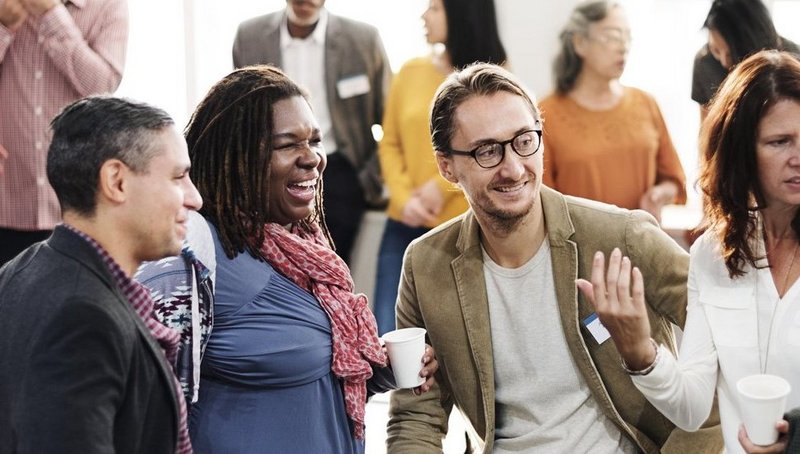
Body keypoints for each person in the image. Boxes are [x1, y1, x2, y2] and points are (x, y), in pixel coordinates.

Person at [385, 62, 723, 453]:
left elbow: (725, 339)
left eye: (524, 141)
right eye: (486, 151)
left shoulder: (620, 236)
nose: (513, 168)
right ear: (447, 166)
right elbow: (416, 414)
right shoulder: (426, 266)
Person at [155, 65, 437, 453]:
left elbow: (313, 376)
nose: (312, 159)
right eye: (288, 145)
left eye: (316, 141)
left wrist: (379, 366)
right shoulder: (201, 250)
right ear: (237, 156)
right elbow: (148, 400)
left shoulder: (306, 248)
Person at [577, 50, 800, 454]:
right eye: (779, 142)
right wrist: (639, 349)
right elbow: (692, 408)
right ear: (741, 152)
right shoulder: (713, 255)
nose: (798, 158)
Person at [0, 96, 201, 453]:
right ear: (116, 181)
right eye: (178, 177)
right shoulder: (85, 318)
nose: (194, 198)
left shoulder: (23, 269)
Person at [373, 0, 506, 335]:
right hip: (403, 224)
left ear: (461, 13)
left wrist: (440, 185)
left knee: (458, 336)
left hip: (466, 225)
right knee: (389, 334)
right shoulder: (409, 72)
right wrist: (405, 201)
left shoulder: (494, 79)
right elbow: (389, 143)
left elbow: (491, 148)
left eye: (434, 8)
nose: (423, 15)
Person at [232, 0, 391, 265]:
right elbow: (241, 116)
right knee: (271, 262)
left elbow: (389, 118)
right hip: (272, 171)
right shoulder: (250, 36)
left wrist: (368, 178)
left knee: (332, 266)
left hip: (341, 173)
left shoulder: (363, 39)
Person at [0, 0, 128, 267]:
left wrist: (51, 15)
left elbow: (100, 85)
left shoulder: (109, 5)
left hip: (77, 207)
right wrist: (4, 26)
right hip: (6, 202)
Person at [540, 0, 685, 224]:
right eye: (613, 36)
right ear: (580, 43)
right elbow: (541, 203)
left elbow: (673, 181)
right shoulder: (546, 114)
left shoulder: (646, 103)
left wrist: (658, 195)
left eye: (627, 37)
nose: (623, 46)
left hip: (643, 245)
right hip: (581, 251)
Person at [692, 0, 799, 121]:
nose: (724, 62)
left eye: (731, 54)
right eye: (715, 50)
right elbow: (706, 124)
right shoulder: (705, 61)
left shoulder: (793, 60)